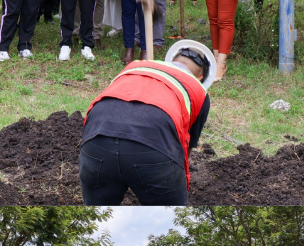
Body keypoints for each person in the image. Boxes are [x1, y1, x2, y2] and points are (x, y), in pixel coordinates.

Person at [80, 39, 215, 206]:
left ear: (172, 61)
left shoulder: (135, 66)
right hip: (154, 148)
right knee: (168, 221)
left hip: (97, 138)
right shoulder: (199, 89)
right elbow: (186, 147)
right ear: (200, 77)